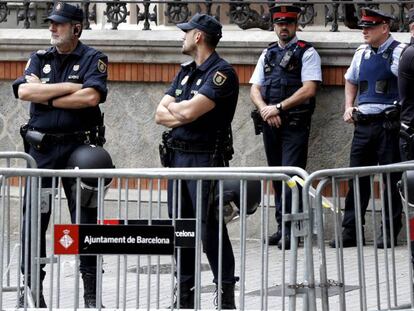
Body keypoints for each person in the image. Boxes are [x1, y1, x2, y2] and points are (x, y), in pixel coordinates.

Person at [12, 2, 108, 308]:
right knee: (35, 221)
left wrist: (48, 95)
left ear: (76, 28)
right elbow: (25, 92)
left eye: (59, 24)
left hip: (78, 151)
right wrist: (68, 87)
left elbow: (90, 97)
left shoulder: (94, 58)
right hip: (41, 152)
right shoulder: (39, 58)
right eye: (51, 23)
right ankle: (33, 294)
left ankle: (91, 296)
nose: (52, 28)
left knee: (85, 222)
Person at [155, 13, 239, 309]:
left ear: (199, 36)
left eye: (186, 32)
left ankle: (225, 296)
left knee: (210, 229)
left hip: (205, 160)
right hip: (177, 158)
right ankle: (186, 298)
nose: (183, 36)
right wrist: (183, 110)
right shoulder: (186, 72)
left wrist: (179, 111)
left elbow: (187, 113)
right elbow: (158, 114)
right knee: (181, 228)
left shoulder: (222, 73)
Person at [329, 8, 404, 249]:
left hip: (388, 126)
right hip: (363, 125)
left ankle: (389, 231)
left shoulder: (400, 52)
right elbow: (350, 80)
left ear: (385, 28)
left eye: (370, 27)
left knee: (391, 181)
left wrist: (400, 109)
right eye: (363, 27)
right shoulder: (361, 53)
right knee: (357, 179)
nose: (364, 31)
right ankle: (350, 231)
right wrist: (348, 106)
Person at [249, 5, 321, 249]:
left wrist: (278, 108)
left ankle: (293, 229)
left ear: (296, 24)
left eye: (288, 23)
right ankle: (282, 227)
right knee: (278, 177)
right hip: (271, 123)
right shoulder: (267, 53)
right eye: (279, 23)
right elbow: (254, 89)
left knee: (292, 177)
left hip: (294, 124)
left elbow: (309, 89)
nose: (283, 27)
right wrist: (265, 110)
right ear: (273, 25)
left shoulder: (307, 53)